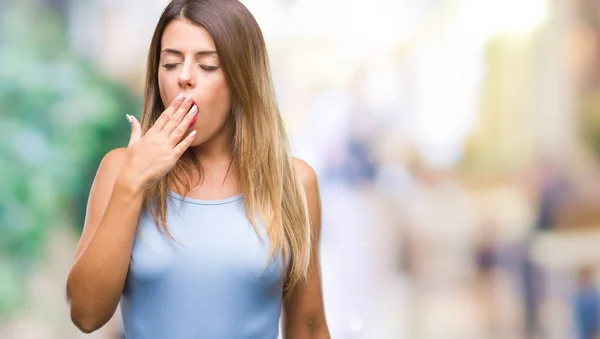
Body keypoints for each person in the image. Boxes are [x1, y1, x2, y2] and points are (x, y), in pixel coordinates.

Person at [65, 1, 330, 338]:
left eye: (207, 65)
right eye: (171, 63)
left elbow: (308, 327)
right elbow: (86, 315)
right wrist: (132, 183)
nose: (184, 77)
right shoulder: (120, 170)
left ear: (242, 79)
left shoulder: (294, 182)